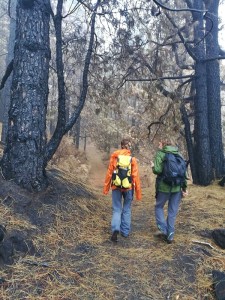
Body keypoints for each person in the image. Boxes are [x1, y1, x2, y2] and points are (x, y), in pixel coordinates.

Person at [103, 138, 142, 242]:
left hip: (116, 186)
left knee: (117, 209)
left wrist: (106, 188)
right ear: (129, 147)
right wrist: (138, 193)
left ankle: (116, 228)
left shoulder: (114, 157)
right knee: (127, 209)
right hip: (128, 187)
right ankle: (125, 232)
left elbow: (109, 173)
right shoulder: (132, 159)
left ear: (121, 146)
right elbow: (136, 177)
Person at [151, 139, 188, 244]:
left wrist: (153, 166)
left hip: (164, 187)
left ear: (163, 143)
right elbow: (183, 173)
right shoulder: (178, 154)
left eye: (159, 142)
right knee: (172, 211)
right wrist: (184, 188)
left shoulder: (160, 154)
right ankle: (170, 235)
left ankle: (163, 229)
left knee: (158, 207)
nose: (158, 144)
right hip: (177, 187)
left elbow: (157, 170)